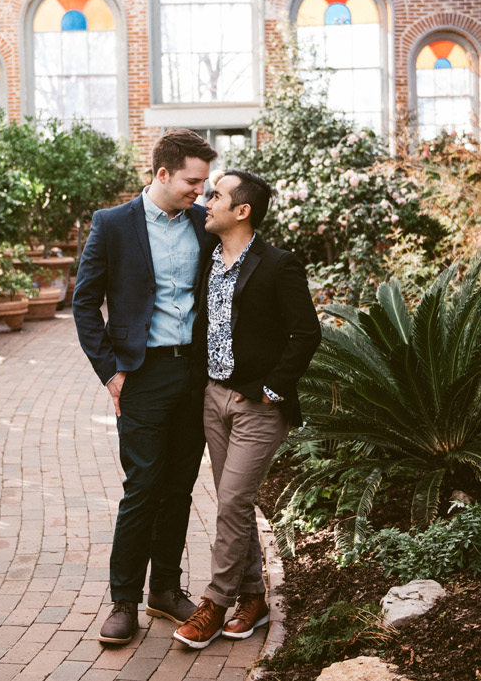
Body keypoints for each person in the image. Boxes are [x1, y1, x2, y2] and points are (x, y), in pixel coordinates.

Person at [73, 128, 220, 646]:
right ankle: (122, 602)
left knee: (179, 487)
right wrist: (110, 371)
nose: (199, 192)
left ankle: (165, 589)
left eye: (204, 184)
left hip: (195, 372)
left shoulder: (205, 223)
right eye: (192, 181)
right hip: (143, 374)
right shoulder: (112, 224)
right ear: (162, 173)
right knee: (142, 488)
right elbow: (84, 302)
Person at [173, 170, 321, 649]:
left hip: (256, 406)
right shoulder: (208, 261)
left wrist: (271, 390)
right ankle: (255, 599)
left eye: (216, 195)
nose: (206, 201)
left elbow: (306, 333)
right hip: (212, 398)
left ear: (243, 211)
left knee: (233, 502)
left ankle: (214, 604)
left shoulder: (278, 265)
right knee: (233, 507)